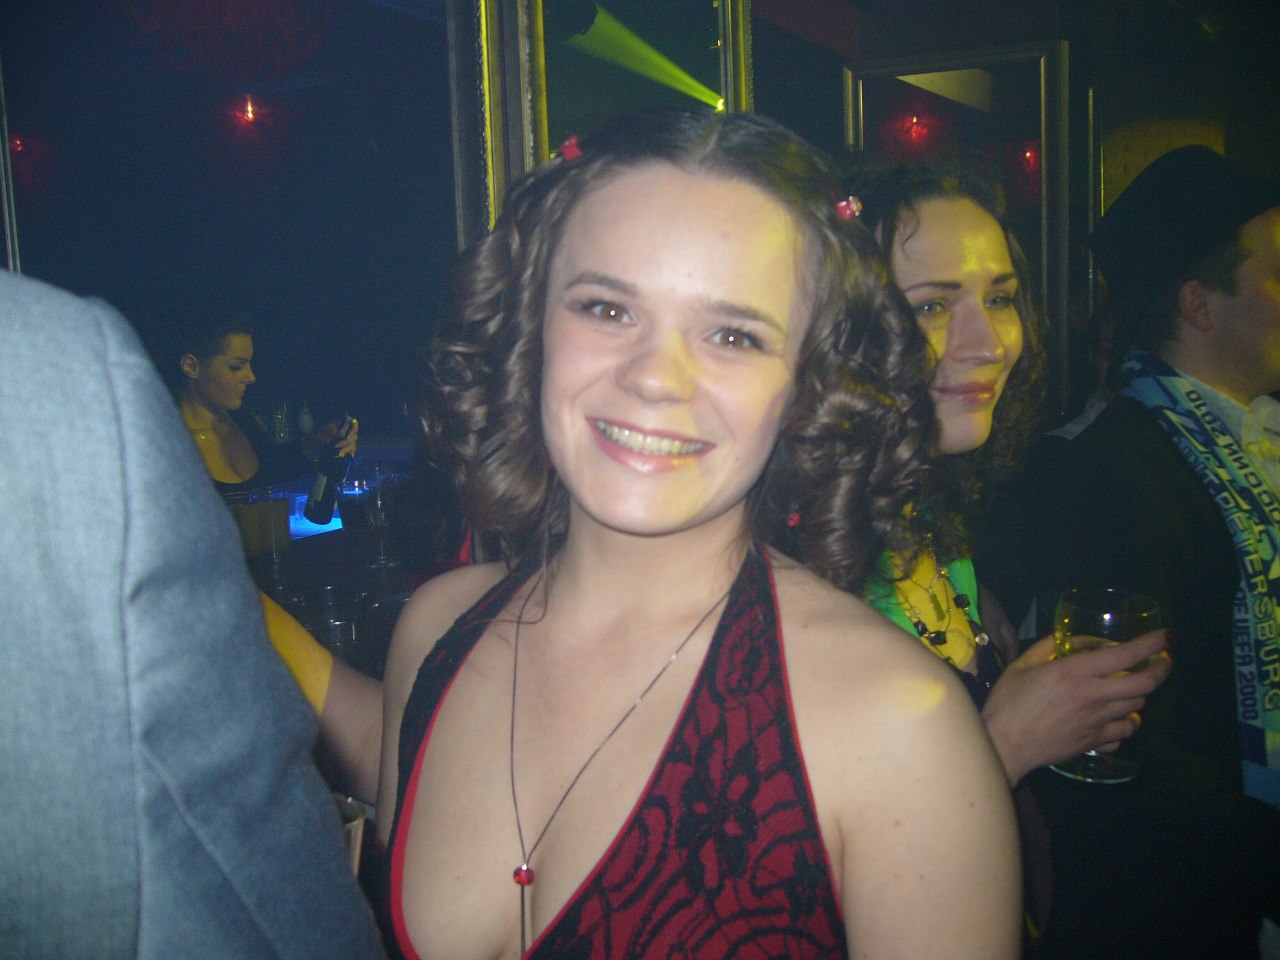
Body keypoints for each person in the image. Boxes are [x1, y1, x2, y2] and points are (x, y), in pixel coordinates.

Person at [320, 108, 1021, 959]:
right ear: (531, 326)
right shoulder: (435, 631)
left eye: (733, 335)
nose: (656, 377)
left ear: (807, 383)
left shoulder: (898, 728)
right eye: (607, 309)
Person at [0, 269, 385, 959]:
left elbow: (305, 503)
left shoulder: (249, 432)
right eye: (237, 365)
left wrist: (323, 459)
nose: (252, 377)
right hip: (236, 634)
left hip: (286, 612)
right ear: (189, 366)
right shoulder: (158, 449)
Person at [976, 145, 1280, 958]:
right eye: (1276, 276)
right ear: (1200, 304)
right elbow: (1125, 743)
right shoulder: (1114, 467)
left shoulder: (1258, 444)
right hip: (1187, 904)